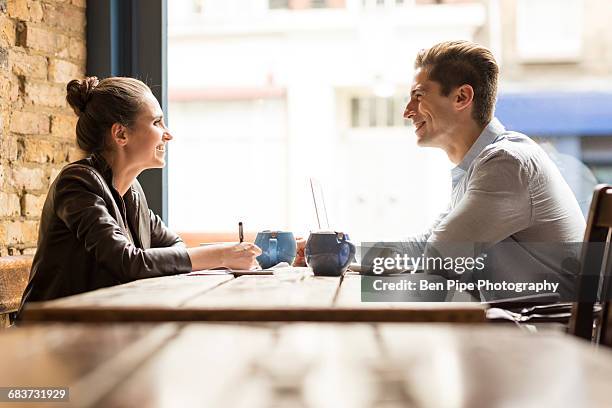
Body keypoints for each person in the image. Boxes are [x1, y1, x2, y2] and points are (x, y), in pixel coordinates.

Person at [300, 41, 586, 300]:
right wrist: (337, 254)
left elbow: (437, 260)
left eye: (418, 96)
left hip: (541, 343)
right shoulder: (481, 166)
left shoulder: (506, 164)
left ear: (462, 97)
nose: (407, 111)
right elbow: (420, 247)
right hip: (520, 334)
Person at [19, 76, 261, 307]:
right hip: (46, 333)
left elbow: (174, 245)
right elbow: (126, 262)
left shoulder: (132, 193)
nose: (168, 134)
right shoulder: (77, 183)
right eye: (157, 122)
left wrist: (146, 261)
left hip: (95, 328)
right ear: (121, 134)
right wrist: (220, 255)